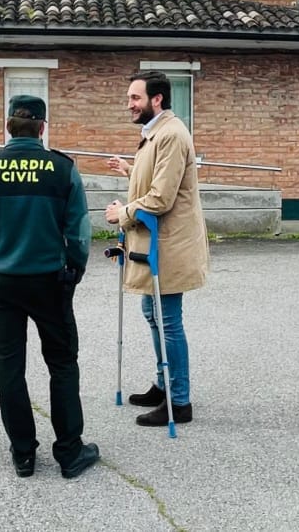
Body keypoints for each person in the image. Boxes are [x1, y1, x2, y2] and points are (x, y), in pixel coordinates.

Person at [0, 95, 100, 479]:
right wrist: (76, 269)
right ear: (42, 127)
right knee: (63, 364)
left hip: (2, 282)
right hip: (50, 280)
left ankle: (23, 453)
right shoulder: (62, 168)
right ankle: (70, 452)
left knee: (10, 367)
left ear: (7, 126)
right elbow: (80, 232)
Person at [105, 71, 208, 427]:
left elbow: (162, 197)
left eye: (135, 98)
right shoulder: (156, 134)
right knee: (153, 315)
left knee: (168, 322)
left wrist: (123, 214)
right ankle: (164, 386)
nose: (129, 104)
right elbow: (156, 178)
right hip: (156, 243)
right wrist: (130, 170)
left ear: (157, 100)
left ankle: (179, 402)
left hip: (170, 245)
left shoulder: (172, 135)